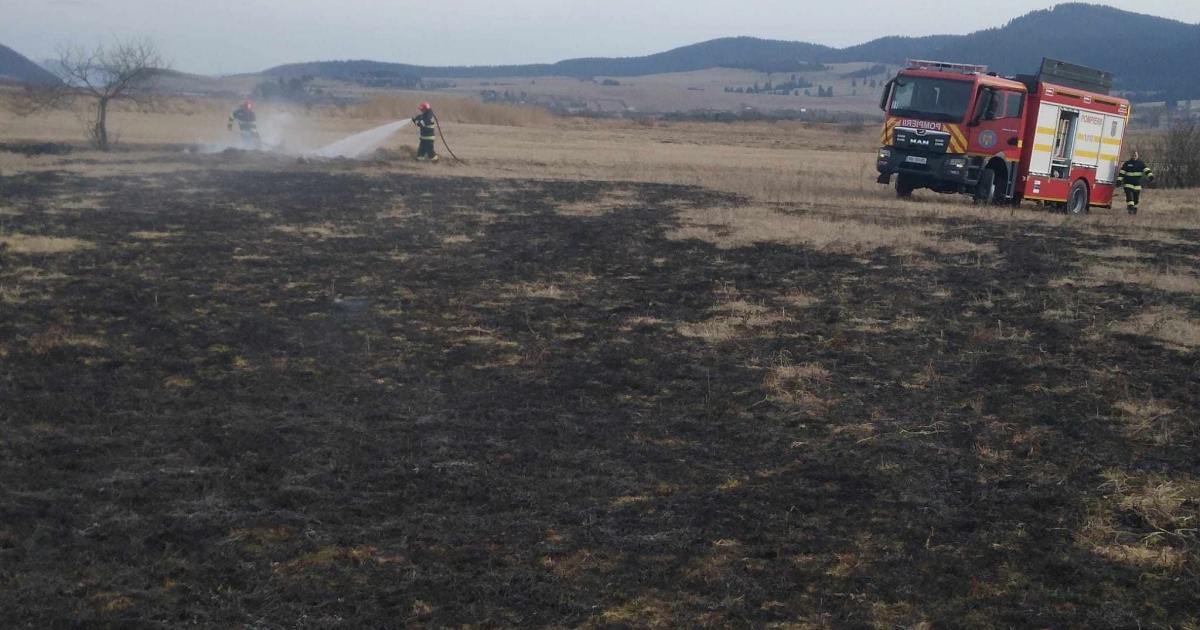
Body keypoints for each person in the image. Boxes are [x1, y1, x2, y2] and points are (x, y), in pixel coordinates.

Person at [1118, 150, 1155, 215]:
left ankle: (1134, 210)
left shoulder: (1141, 163)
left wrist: (1151, 176)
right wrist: (1119, 180)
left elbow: (1147, 170)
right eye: (1133, 155)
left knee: (1136, 198)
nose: (1134, 156)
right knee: (1129, 197)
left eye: (1135, 155)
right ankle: (1130, 209)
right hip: (1128, 184)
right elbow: (1122, 173)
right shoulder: (1127, 163)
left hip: (1137, 184)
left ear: (1137, 156)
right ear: (1131, 156)